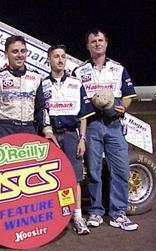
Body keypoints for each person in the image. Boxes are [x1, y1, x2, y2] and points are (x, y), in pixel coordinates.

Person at [73, 28, 138, 231]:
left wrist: (123, 108)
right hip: (92, 125)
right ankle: (95, 211)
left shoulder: (118, 69)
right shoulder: (79, 71)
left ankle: (118, 213)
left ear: (106, 43)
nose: (97, 44)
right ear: (88, 46)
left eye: (100, 40)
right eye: (93, 41)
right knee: (93, 170)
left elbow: (128, 94)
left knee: (120, 169)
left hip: (114, 125)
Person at [43, 44, 95, 235]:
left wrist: (82, 138)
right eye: (56, 56)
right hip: (51, 136)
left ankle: (78, 217)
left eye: (63, 56)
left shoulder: (76, 83)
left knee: (75, 178)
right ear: (49, 59)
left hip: (72, 135)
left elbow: (83, 115)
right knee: (50, 179)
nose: (60, 60)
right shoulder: (42, 84)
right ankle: (56, 217)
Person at [0, 35, 56, 145]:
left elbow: (42, 109)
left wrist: (48, 131)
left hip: (29, 129)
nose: (19, 55)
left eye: (23, 51)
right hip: (5, 129)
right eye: (15, 51)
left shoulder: (36, 78)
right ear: (6, 54)